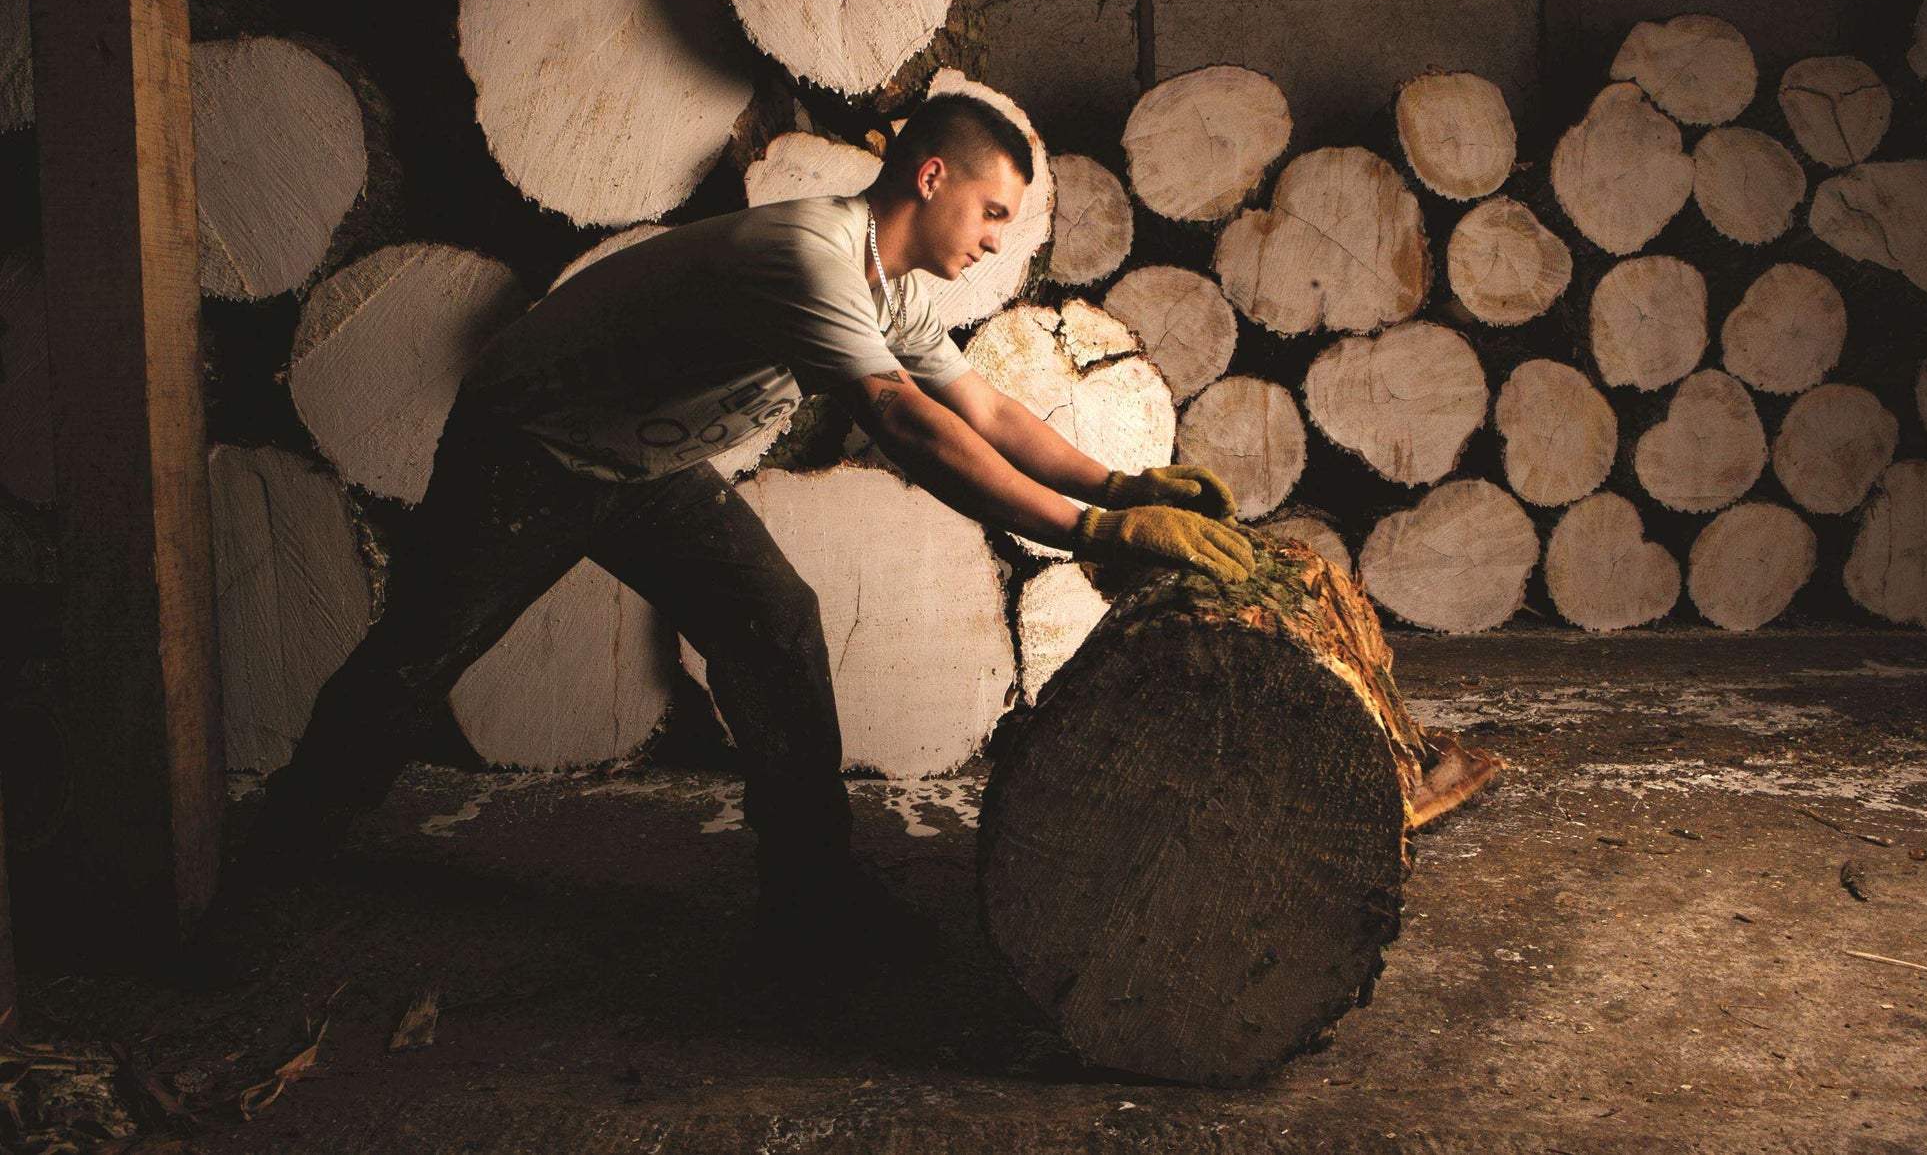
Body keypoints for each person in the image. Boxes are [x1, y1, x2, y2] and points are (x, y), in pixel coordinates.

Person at [251, 93, 1254, 961]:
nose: (996, 239)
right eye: (991, 212)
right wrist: (1092, 534)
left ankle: (808, 906)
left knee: (772, 619)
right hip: (531, 448)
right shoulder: (808, 255)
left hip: (643, 465)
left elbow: (980, 408)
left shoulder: (890, 287)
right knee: (419, 655)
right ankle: (269, 872)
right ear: (931, 175)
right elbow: (903, 422)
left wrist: (1121, 486)